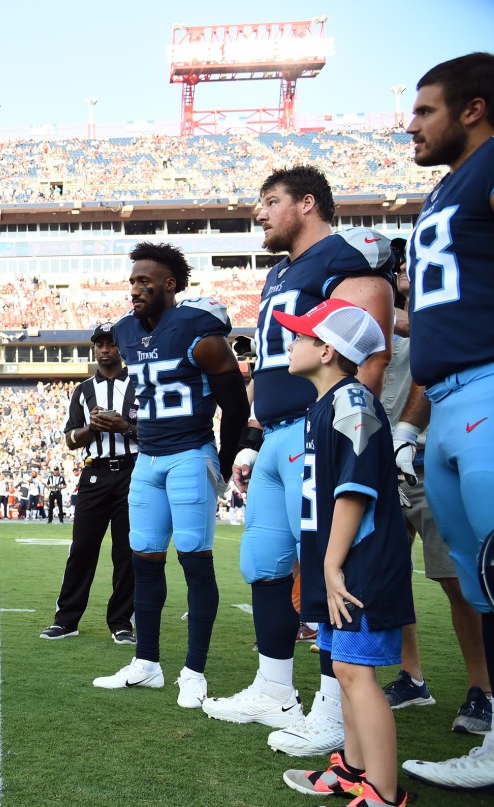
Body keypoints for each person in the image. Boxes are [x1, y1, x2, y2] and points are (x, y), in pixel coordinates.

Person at [202, 166, 395, 758]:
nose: (258, 215)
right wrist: (251, 435)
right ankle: (273, 688)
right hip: (277, 436)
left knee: (327, 570)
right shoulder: (280, 274)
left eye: (269, 202)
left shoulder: (344, 259)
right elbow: (268, 367)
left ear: (307, 203)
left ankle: (337, 712)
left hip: (319, 433)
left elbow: (367, 353)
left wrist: (333, 431)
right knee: (264, 562)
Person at [92, 242, 248, 709]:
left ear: (171, 285)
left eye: (145, 282)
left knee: (195, 560)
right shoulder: (122, 331)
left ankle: (194, 671)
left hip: (188, 455)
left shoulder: (200, 331)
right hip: (148, 458)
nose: (136, 289)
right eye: (133, 280)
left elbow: (236, 404)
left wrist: (222, 459)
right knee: (144, 559)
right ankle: (147, 663)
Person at [399, 52, 494, 793]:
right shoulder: (445, 190)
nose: (411, 124)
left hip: (489, 391)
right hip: (447, 402)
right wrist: (411, 422)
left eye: (426, 109)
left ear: (473, 107)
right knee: (481, 581)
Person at [274, 299, 412, 807]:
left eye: (301, 336)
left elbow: (354, 492)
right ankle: (355, 771)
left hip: (361, 564)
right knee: (342, 667)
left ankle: (382, 791)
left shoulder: (351, 401)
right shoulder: (325, 404)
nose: (290, 344)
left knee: (357, 673)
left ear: (327, 349)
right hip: (341, 563)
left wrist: (331, 565)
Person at [380, 240, 491, 732]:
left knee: (459, 580)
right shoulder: (368, 314)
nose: (401, 270)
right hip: (378, 467)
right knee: (388, 579)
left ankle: (483, 688)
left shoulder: (431, 312)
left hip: (428, 458)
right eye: (395, 264)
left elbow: (432, 349)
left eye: (405, 264)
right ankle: (413, 677)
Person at [40, 322, 138, 644]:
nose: (105, 349)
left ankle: (121, 621)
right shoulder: (83, 390)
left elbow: (155, 430)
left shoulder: (139, 384)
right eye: (100, 344)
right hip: (94, 473)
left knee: (126, 552)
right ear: (94, 348)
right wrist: (92, 428)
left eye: (111, 343)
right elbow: (70, 439)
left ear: (121, 348)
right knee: (82, 548)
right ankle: (67, 619)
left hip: (131, 471)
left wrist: (124, 426)